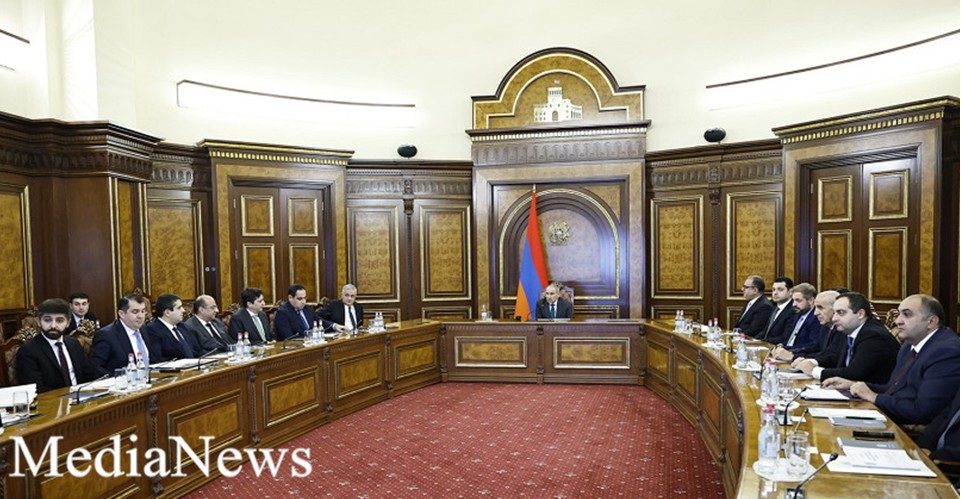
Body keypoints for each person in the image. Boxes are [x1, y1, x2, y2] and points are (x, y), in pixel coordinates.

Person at [823, 294, 960, 425]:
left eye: (907, 315)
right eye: (899, 314)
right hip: (894, 417)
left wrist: (874, 397)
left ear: (931, 322)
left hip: (915, 430)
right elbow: (892, 389)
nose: (897, 321)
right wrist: (854, 385)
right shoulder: (908, 346)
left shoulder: (946, 352)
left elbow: (922, 411)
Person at [793, 292, 899, 384]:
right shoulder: (849, 330)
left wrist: (814, 371)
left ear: (860, 314)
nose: (834, 319)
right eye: (834, 313)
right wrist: (812, 362)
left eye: (840, 313)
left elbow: (854, 373)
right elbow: (834, 357)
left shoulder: (874, 336)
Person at [15, 298, 97, 393]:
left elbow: (88, 375)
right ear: (38, 322)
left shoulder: (73, 343)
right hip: (51, 400)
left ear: (68, 323)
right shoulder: (28, 351)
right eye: (47, 320)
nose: (53, 325)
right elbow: (36, 389)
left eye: (59, 320)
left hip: (81, 397)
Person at [89, 294, 152, 376]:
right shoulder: (106, 335)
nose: (140, 316)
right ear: (122, 314)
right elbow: (95, 368)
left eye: (143, 311)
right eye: (135, 312)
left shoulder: (143, 329)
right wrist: (120, 378)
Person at [773, 290, 843, 362]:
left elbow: (829, 357)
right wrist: (789, 352)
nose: (815, 313)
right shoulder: (825, 327)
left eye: (820, 308)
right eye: (815, 308)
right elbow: (814, 348)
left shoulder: (842, 330)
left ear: (835, 309)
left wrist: (793, 357)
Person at [275, 284, 343, 340]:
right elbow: (288, 338)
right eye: (300, 299)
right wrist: (308, 338)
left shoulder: (307, 309)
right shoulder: (283, 313)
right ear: (290, 298)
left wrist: (334, 326)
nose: (303, 302)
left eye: (305, 298)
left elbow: (319, 321)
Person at [145, 294, 201, 361]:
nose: (183, 310)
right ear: (167, 312)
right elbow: (157, 359)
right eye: (179, 308)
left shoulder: (183, 326)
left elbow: (196, 350)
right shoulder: (153, 330)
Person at [778, 283, 821, 352]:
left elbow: (811, 345)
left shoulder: (816, 319)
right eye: (793, 300)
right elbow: (791, 339)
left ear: (811, 300)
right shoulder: (797, 314)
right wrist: (782, 345)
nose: (794, 304)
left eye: (798, 300)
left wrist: (786, 349)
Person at [757, 276, 795, 341]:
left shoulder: (793, 310)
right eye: (773, 290)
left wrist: (763, 341)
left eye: (780, 290)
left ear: (790, 292)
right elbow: (765, 332)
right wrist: (752, 340)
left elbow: (785, 337)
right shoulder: (773, 307)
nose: (775, 293)